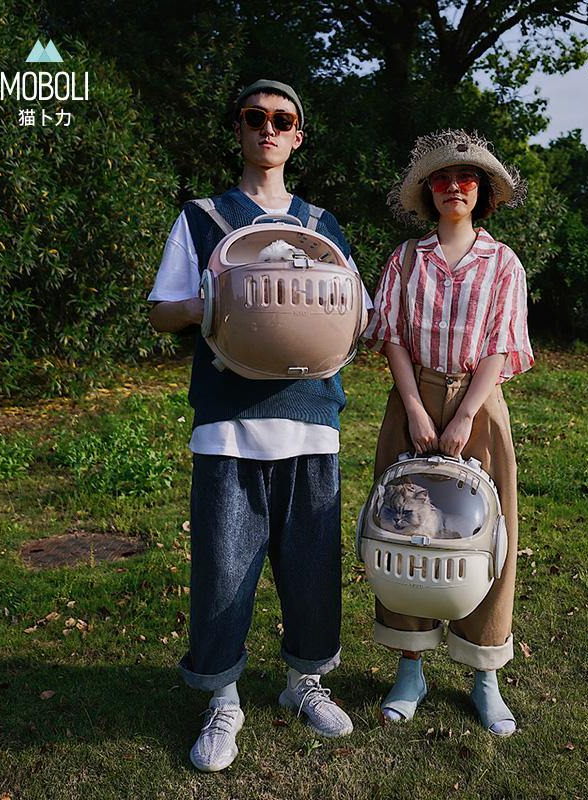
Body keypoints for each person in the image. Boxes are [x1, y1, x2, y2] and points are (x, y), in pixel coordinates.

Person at [148, 79, 371, 772]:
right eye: (255, 118)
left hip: (310, 417)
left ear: (297, 136)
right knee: (223, 569)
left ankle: (304, 682)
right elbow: (160, 311)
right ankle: (224, 699)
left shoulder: (321, 226)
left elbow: (356, 312)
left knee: (312, 567)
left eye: (281, 120)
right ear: (240, 129)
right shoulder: (203, 218)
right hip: (229, 422)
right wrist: (214, 299)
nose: (267, 129)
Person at [362, 129, 533, 736]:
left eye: (466, 179)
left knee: (484, 534)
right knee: (402, 530)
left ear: (481, 191)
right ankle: (410, 669)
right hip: (413, 398)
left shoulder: (503, 262)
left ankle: (485, 675)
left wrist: (463, 416)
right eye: (441, 179)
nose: (453, 187)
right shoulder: (405, 259)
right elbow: (391, 335)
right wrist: (414, 407)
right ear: (428, 192)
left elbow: (501, 344)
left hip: (478, 403)